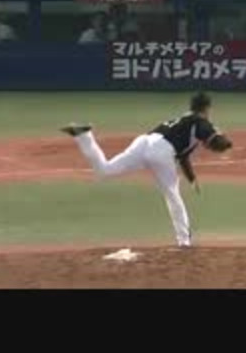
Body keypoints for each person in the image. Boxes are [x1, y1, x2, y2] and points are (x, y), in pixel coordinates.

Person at [59, 92, 233, 248]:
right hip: (161, 151)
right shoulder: (200, 121)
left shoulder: (183, 121)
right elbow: (217, 142)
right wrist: (226, 142)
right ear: (207, 108)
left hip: (143, 142)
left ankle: (84, 136)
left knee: (105, 170)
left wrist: (192, 179)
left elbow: (183, 157)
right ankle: (184, 241)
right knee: (172, 195)